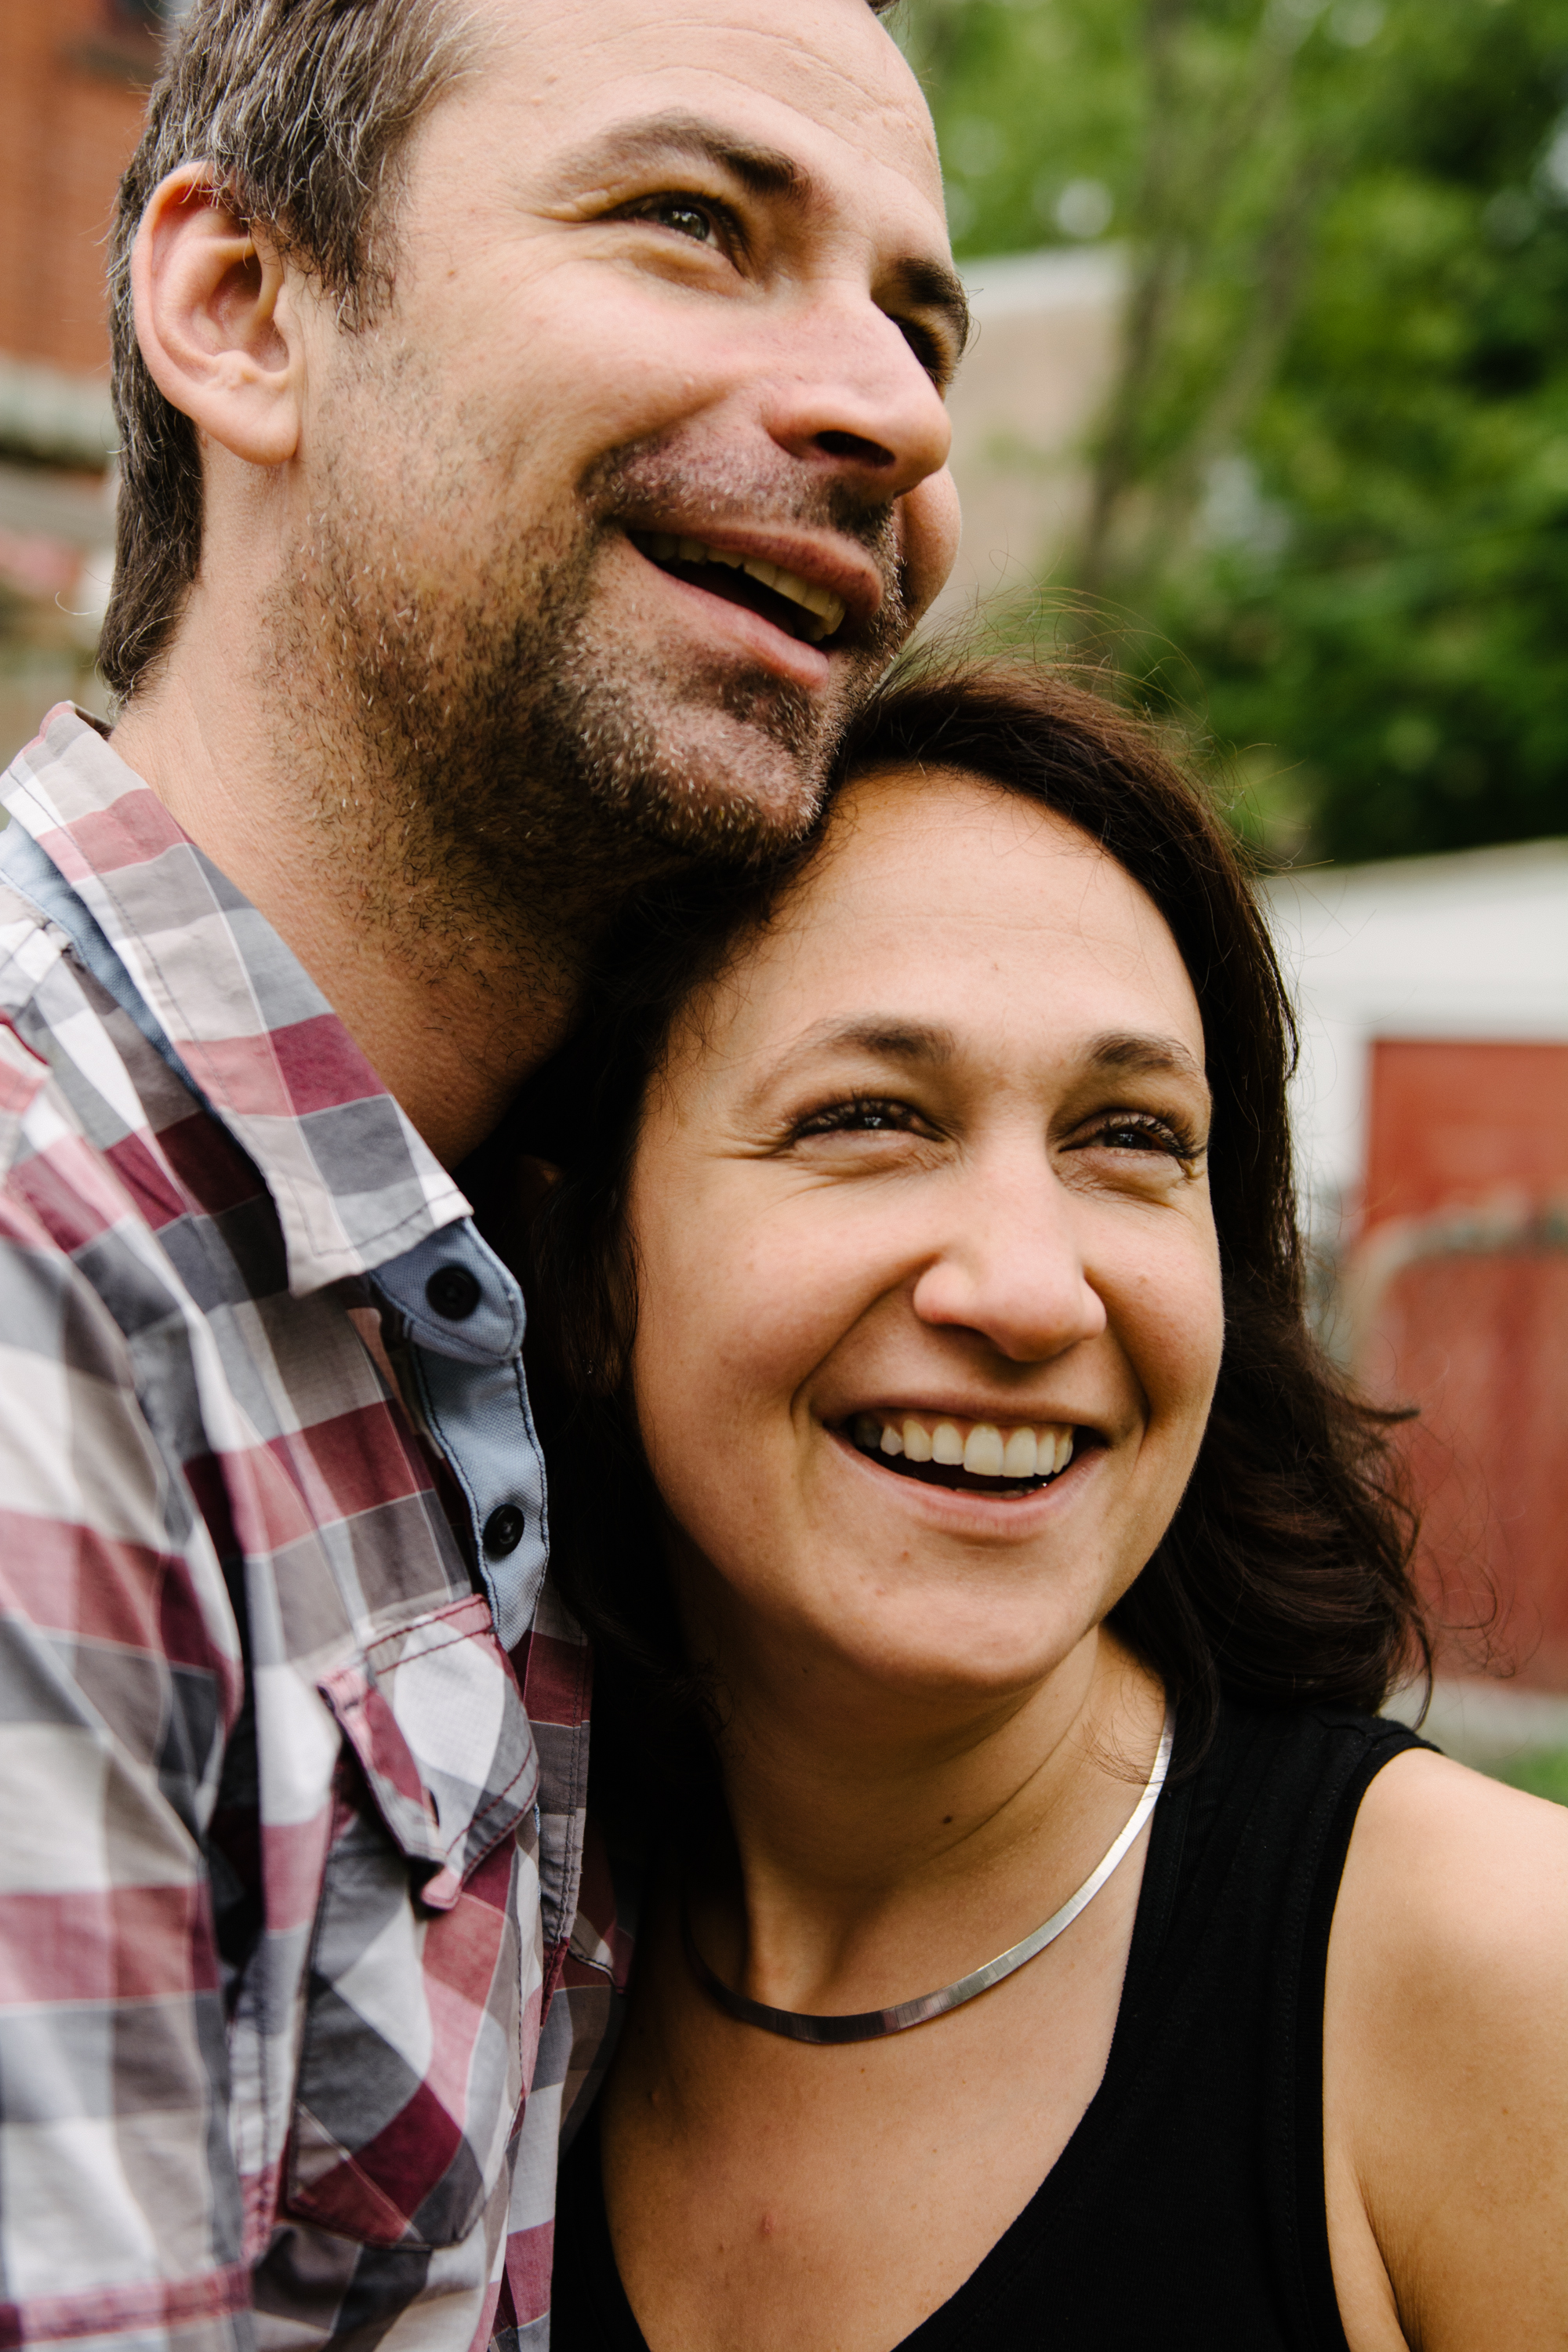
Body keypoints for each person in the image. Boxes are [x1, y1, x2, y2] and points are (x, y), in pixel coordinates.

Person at [0, 0, 965, 2341]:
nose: (901, 416)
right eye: (691, 222)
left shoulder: (542, 1287)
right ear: (242, 308)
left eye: (920, 317)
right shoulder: (44, 1280)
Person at [511, 662, 1568, 2350]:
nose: (1029, 1291)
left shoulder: (1497, 1975)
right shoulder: (497, 1964)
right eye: (869, 1117)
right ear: (591, 1265)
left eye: (1130, 1135)